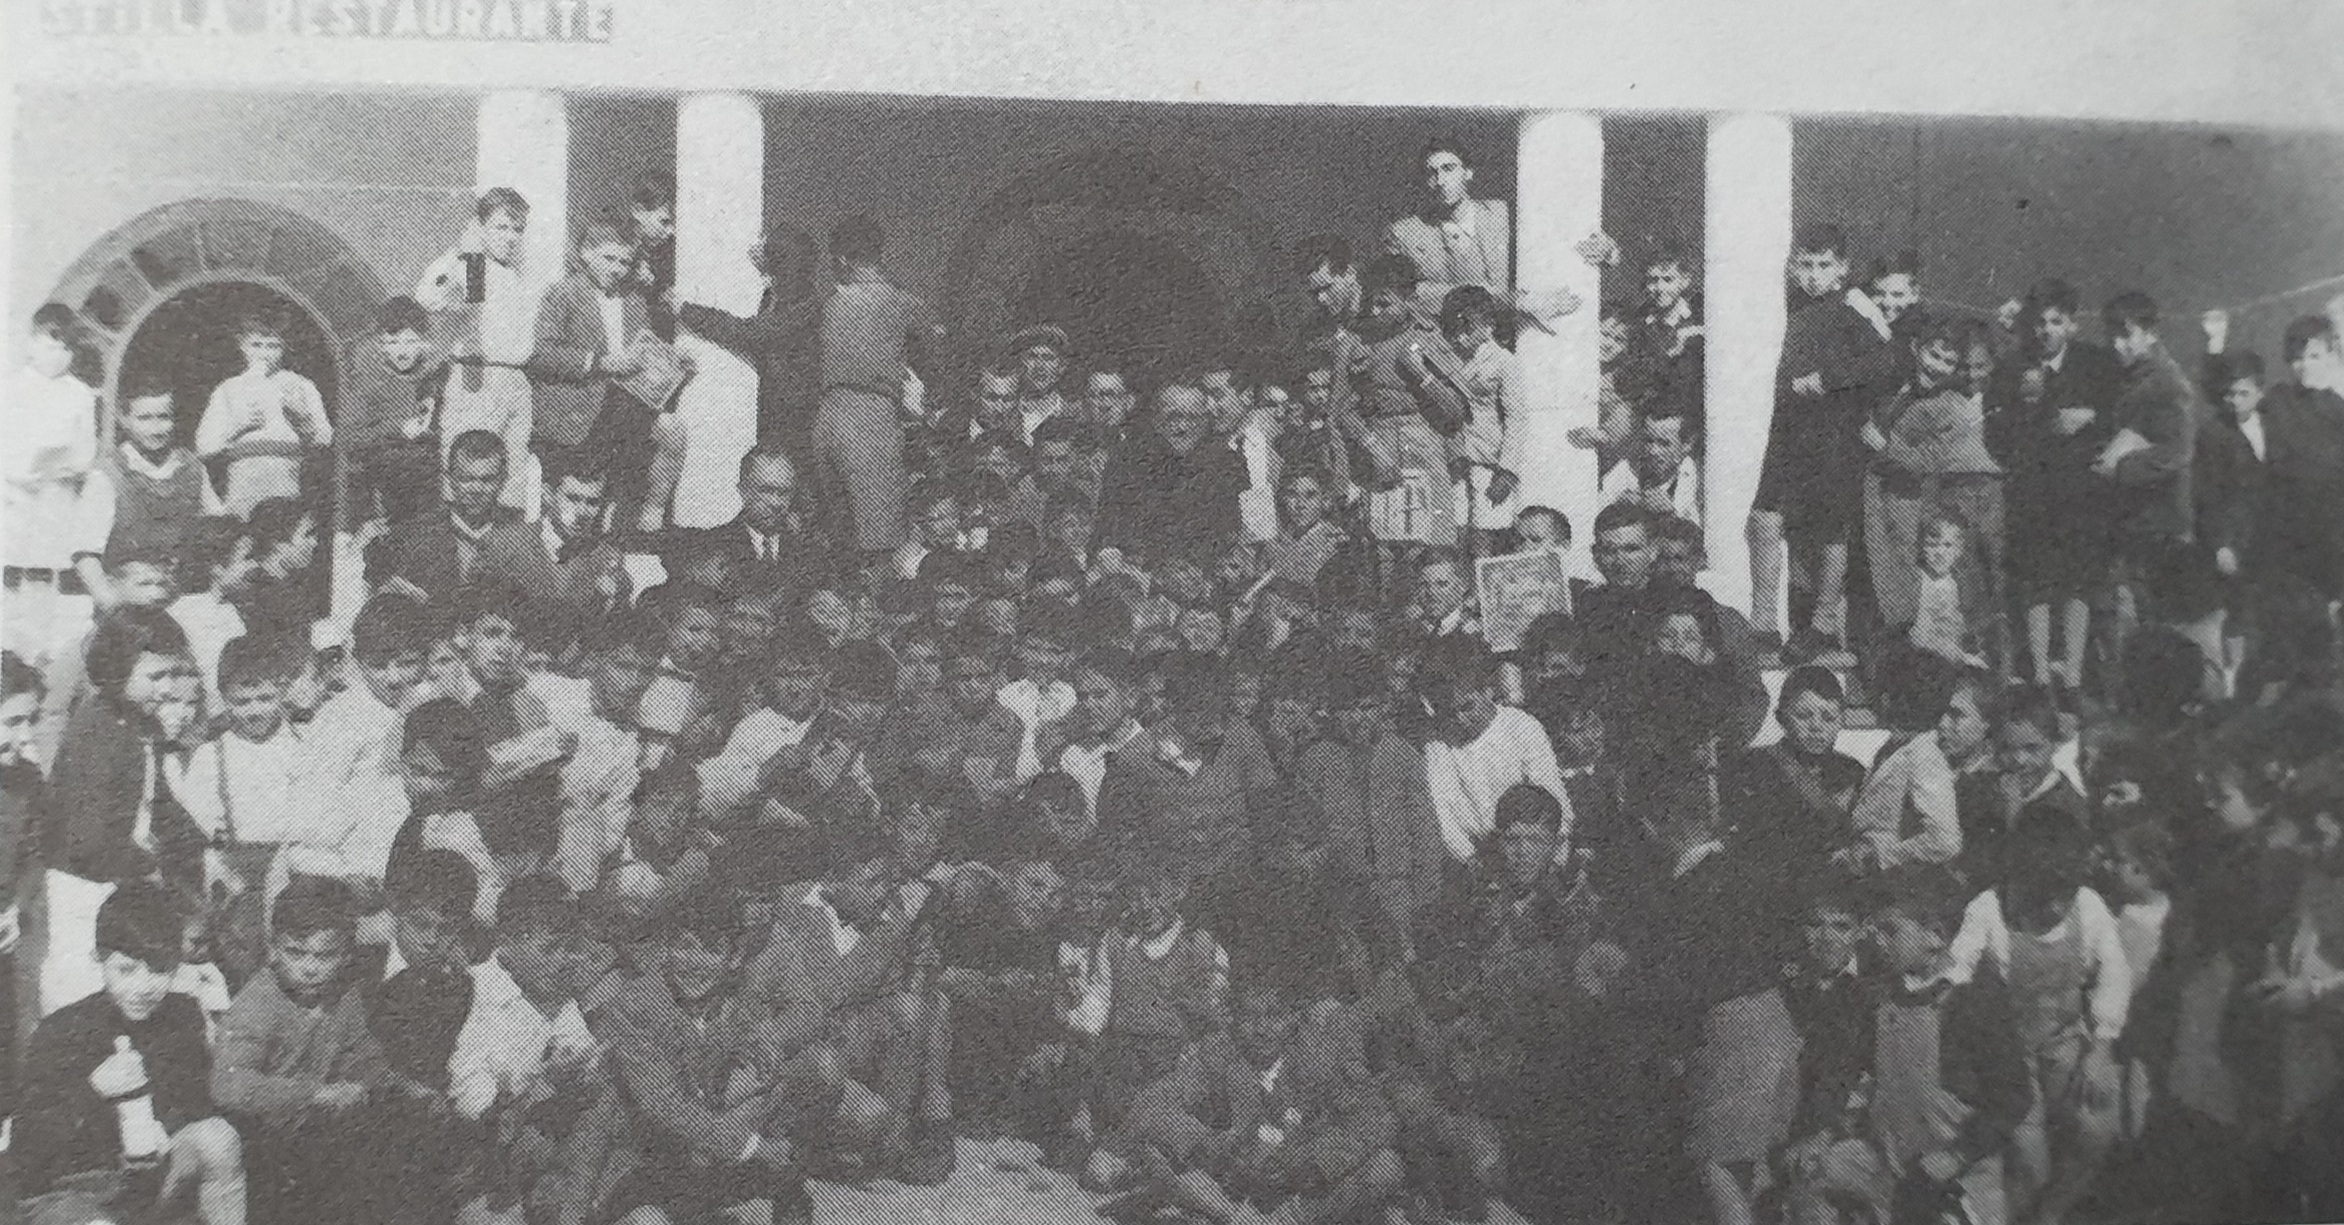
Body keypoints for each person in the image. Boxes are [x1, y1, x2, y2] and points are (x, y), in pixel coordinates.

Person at [1779, 866, 2030, 1225]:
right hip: (1888, 1162)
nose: (1878, 942)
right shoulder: (1879, 1000)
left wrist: (1958, 1156)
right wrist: (1821, 1133)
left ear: (1935, 936)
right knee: (1817, 1172)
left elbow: (2014, 1096)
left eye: (1891, 931)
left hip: (1960, 1172)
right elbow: (1842, 1071)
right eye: (1876, 931)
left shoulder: (1973, 1000)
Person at [16, 880, 249, 1225]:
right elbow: (25, 1154)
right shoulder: (62, 1031)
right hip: (74, 1192)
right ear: (99, 959)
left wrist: (170, 1122)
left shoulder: (182, 1014)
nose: (143, 986)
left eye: (159, 969)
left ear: (177, 963)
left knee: (219, 1137)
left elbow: (199, 1107)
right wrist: (93, 1089)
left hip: (147, 1182)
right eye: (126, 970)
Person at [587, 890, 820, 1225]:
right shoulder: (635, 1006)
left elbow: (774, 1061)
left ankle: (764, 1193)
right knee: (646, 1219)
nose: (693, 961)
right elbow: (665, 1105)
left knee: (774, 1086)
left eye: (711, 950)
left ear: (734, 958)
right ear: (665, 948)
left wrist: (758, 1062)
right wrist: (752, 1146)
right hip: (643, 1161)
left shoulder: (737, 997)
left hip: (706, 1154)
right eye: (684, 946)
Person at [1944, 817, 2130, 1225]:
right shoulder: (1988, 910)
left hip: (2063, 1040)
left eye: (2065, 896)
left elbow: (2114, 972)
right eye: (2043, 897)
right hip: (2007, 1054)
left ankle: (2052, 1212)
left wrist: (2101, 1047)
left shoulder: (2088, 906)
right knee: (2030, 1160)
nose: (2057, 909)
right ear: (2020, 880)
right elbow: (1956, 976)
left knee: (2097, 1127)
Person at [1747, 223, 1899, 661]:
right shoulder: (1788, 302)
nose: (1813, 275)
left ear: (1842, 268)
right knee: (1765, 516)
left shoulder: (1852, 308)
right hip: (1789, 430)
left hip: (1834, 432)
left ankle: (1824, 624)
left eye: (1823, 266)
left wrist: (1828, 379)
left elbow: (1884, 363)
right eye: (1805, 265)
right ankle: (1763, 622)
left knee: (1831, 527)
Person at [211, 876, 399, 1225]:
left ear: (346, 954)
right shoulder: (258, 1003)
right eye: (295, 953)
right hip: (266, 1140)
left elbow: (363, 1056)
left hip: (317, 1133)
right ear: (273, 947)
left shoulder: (343, 996)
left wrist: (384, 1085)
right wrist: (315, 1094)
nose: (310, 968)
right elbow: (228, 1084)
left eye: (325, 955)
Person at [447, 875, 631, 1225]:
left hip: (538, 1142)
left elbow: (580, 1055)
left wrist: (584, 1070)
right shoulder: (471, 990)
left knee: (605, 1104)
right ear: (507, 945)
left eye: (568, 947)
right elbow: (472, 1103)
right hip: (480, 1154)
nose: (563, 960)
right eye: (550, 949)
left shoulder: (556, 994)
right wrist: (542, 1085)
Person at [2000, 278, 2123, 696]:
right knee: (2036, 582)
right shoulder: (2016, 365)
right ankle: (2038, 674)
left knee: (2077, 583)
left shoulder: (2096, 364)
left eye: (2056, 322)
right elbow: (1999, 429)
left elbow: (2122, 411)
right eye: (2040, 323)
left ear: (2072, 325)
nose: (2046, 331)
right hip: (2033, 491)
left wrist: (2090, 417)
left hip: (2081, 494)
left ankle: (2071, 676)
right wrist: (2027, 413)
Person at [1863, 316, 2006, 662]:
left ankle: (1904, 657)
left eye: (1948, 362)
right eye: (1933, 355)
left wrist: (1885, 447)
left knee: (1901, 579)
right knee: (1870, 575)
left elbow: (1929, 461)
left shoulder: (1950, 407)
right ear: (1916, 349)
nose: (1937, 366)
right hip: (1873, 494)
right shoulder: (1898, 386)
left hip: (1905, 499)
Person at [528, 220, 677, 530]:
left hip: (622, 408)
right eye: (609, 258)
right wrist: (602, 363)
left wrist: (673, 362)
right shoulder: (563, 293)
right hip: (576, 411)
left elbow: (642, 354)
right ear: (586, 254)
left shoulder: (633, 300)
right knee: (572, 506)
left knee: (672, 431)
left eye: (624, 262)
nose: (617, 269)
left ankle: (650, 516)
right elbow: (542, 354)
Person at [815, 215, 943, 557]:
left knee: (838, 534)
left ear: (842, 259)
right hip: (872, 416)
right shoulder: (902, 303)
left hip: (828, 414)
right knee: (880, 537)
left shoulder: (829, 305)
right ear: (879, 254)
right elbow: (939, 356)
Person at [416, 188, 539, 506]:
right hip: (478, 378)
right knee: (467, 476)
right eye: (501, 227)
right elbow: (428, 298)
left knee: (511, 484)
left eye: (517, 229)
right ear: (479, 226)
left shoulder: (516, 274)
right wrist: (462, 252)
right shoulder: (471, 264)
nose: (510, 237)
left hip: (517, 381)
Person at [2097, 291, 2204, 655]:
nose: (2117, 344)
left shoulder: (2168, 382)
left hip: (2161, 524)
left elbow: (2178, 451)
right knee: (2137, 617)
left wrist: (2119, 466)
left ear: (2151, 333)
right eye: (2112, 335)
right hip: (2135, 522)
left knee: (2163, 622)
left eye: (2126, 335)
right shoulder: (2130, 376)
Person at [6, 303, 109, 666]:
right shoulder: (12, 389)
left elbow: (87, 448)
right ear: (31, 344)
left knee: (45, 573)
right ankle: (12, 651)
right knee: (13, 572)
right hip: (16, 497)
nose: (59, 357)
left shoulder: (79, 393)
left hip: (56, 497)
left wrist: (72, 466)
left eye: (67, 349)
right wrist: (26, 469)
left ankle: (39, 651)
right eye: (52, 347)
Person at [1416, 643, 1569, 866]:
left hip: (1531, 847)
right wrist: (1468, 857)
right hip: (1479, 858)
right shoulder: (1438, 746)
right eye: (1450, 712)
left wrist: (1556, 858)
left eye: (1467, 707)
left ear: (1488, 691)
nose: (1460, 719)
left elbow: (1551, 792)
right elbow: (1442, 813)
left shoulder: (1521, 726)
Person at [677, 227, 823, 452]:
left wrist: (686, 311)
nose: (757, 242)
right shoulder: (784, 294)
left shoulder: (802, 304)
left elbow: (748, 333)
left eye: (764, 241)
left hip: (792, 411)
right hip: (780, 404)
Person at [195, 310, 333, 518]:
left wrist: (301, 419)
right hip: (244, 479)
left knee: (284, 526)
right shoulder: (228, 388)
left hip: (287, 476)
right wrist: (237, 426)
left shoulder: (301, 385)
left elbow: (325, 438)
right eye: (256, 345)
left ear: (284, 348)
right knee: (245, 528)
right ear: (242, 346)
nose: (264, 353)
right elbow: (204, 447)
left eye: (273, 346)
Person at [474, 450, 632, 631]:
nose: (582, 512)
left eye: (592, 502)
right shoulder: (503, 545)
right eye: (572, 498)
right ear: (548, 495)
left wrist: (608, 601)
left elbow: (614, 629)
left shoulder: (606, 559)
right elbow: (476, 614)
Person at [366, 428, 522, 607]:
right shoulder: (413, 537)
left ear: (503, 480)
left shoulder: (523, 532)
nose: (476, 490)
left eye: (487, 480)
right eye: (466, 479)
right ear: (449, 478)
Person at [1096, 379, 1249, 560]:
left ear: (1205, 421)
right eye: (1173, 417)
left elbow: (1234, 534)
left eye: (1193, 418)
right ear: (1156, 420)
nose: (1182, 427)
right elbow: (1110, 527)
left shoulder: (1227, 464)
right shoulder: (1127, 462)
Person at [89, 377, 223, 582]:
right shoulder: (109, 473)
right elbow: (87, 554)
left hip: (184, 587)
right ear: (124, 419)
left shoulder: (191, 468)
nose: (156, 429)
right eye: (144, 418)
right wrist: (107, 596)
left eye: (163, 417)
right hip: (128, 589)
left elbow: (219, 526)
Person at [342, 295, 451, 528]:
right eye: (392, 343)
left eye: (410, 341)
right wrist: (397, 429)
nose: (401, 352)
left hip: (433, 483)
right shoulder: (367, 381)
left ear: (424, 341)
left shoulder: (438, 377)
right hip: (386, 484)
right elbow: (350, 436)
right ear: (380, 344)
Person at [1383, 136, 1511, 315]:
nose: (1440, 181)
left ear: (1468, 172)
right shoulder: (1405, 233)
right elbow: (1402, 296)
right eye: (1431, 173)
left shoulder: (1502, 215)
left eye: (1449, 169)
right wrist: (1477, 295)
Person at [1604, 401, 1703, 527]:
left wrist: (1672, 515)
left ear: (1687, 445)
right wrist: (1618, 506)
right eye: (1649, 441)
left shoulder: (1701, 482)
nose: (1653, 451)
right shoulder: (1627, 469)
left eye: (1664, 443)